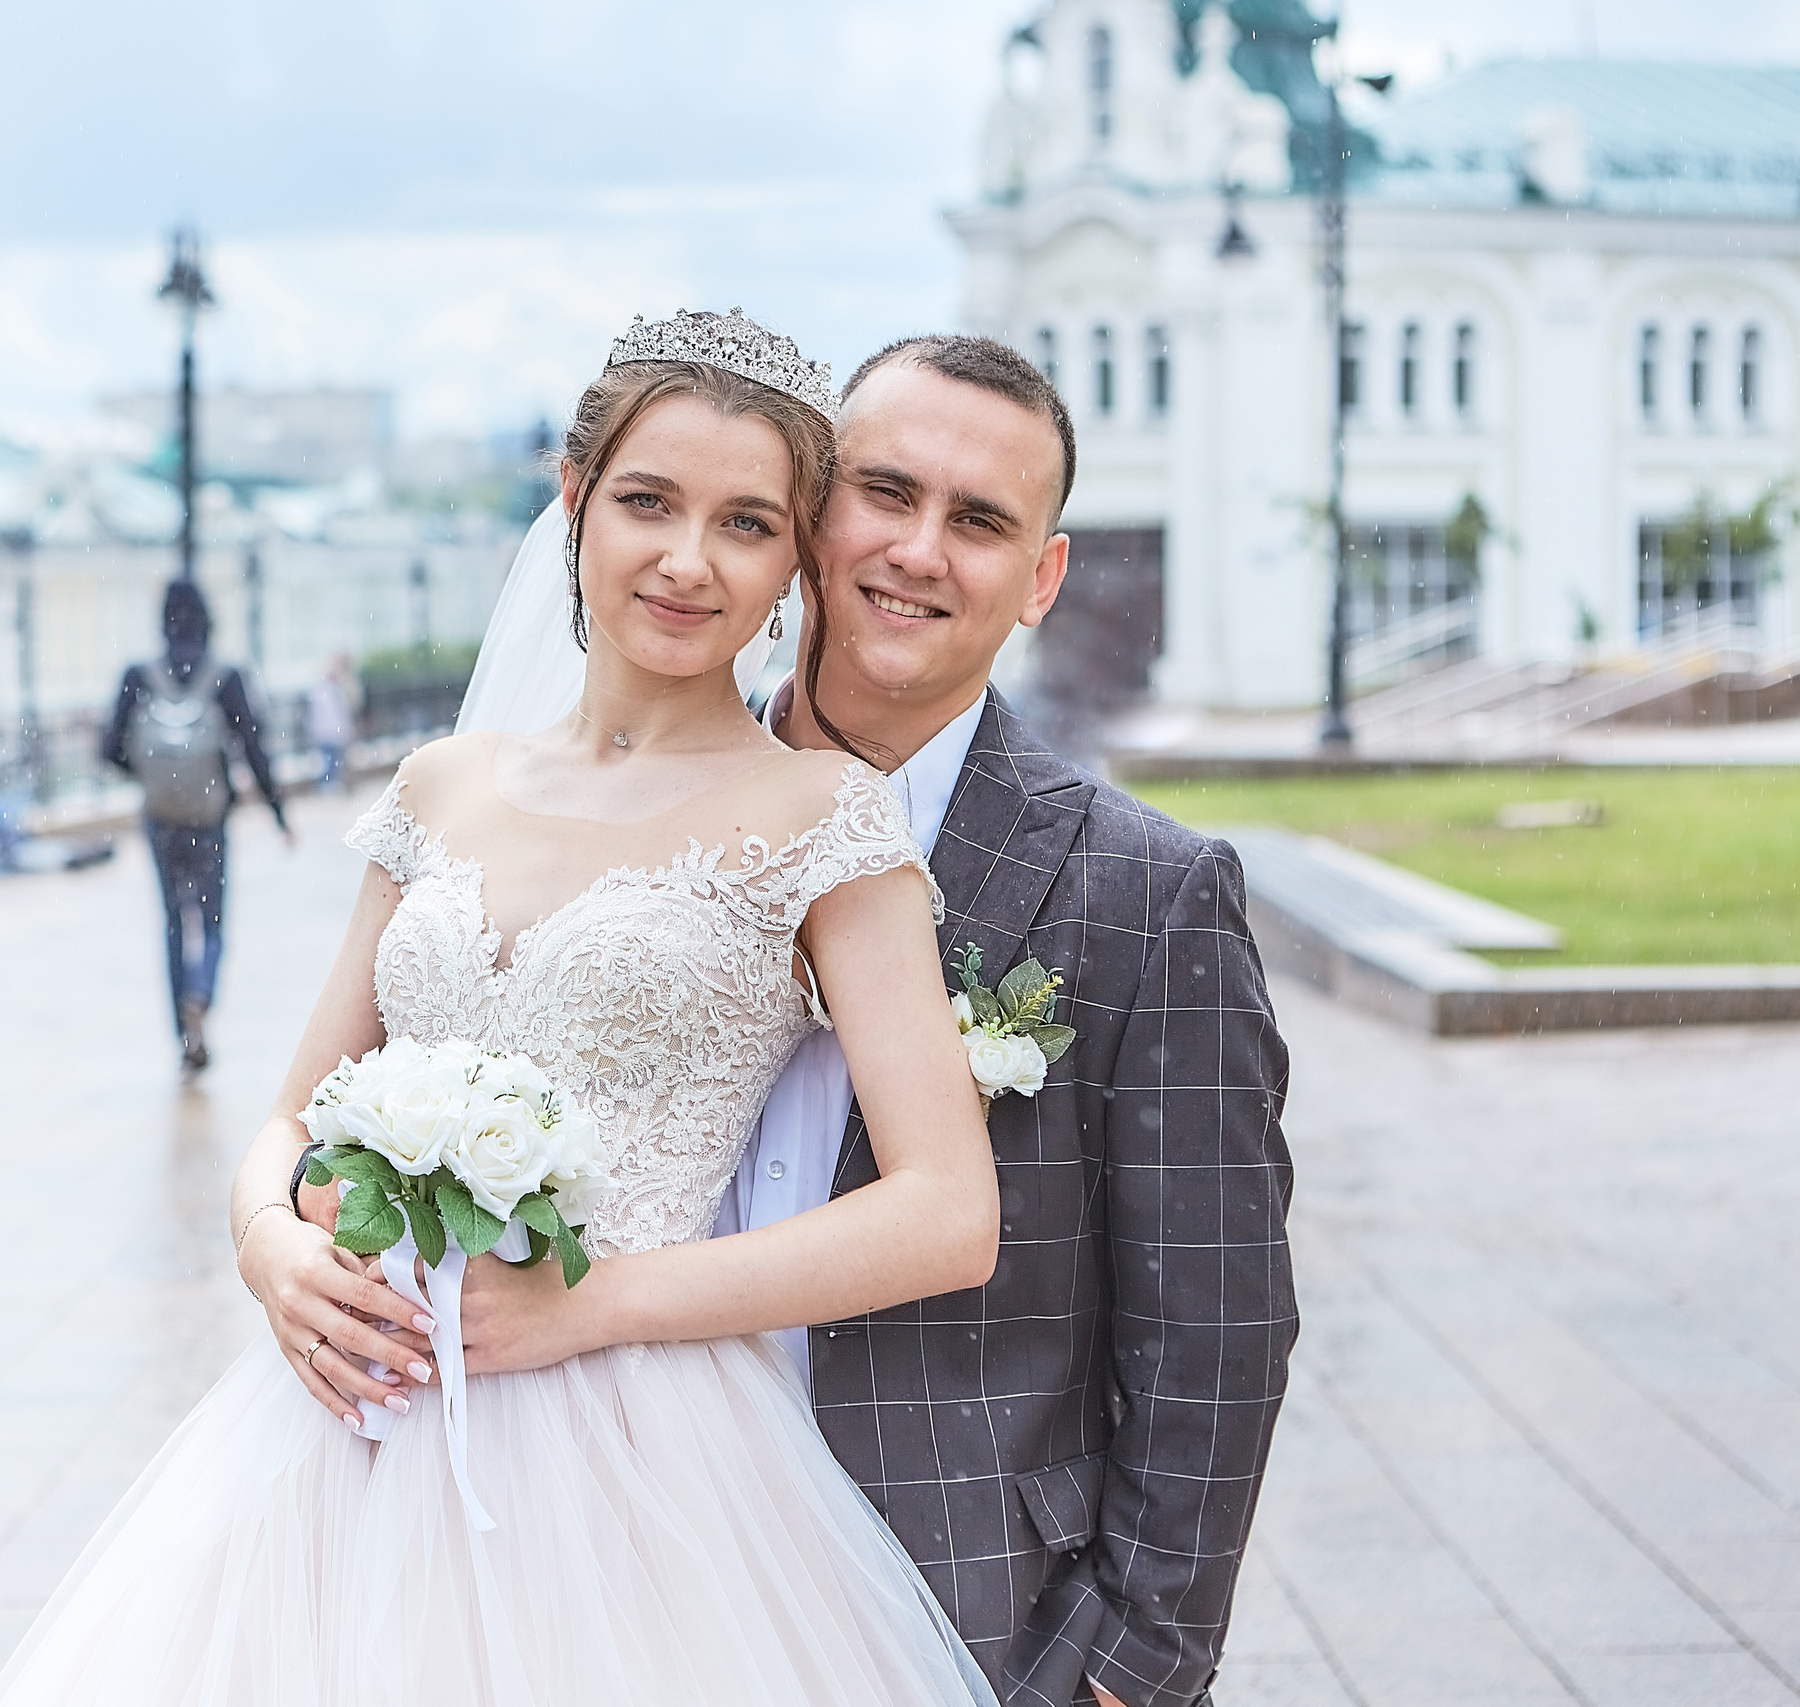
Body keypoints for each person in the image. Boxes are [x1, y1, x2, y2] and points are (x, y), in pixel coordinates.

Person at [0, 311, 1004, 1705]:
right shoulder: (442, 787)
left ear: (792, 564)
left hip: (645, 1451)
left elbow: (949, 1210)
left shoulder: (825, 823)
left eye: (746, 523)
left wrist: (594, 1310)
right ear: (576, 502)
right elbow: (292, 1110)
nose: (688, 561)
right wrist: (269, 1250)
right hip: (352, 1419)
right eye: (648, 502)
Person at [447, 336, 1298, 1707]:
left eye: (979, 522)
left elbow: (1217, 1331)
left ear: (1042, 579)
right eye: (885, 493)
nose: (916, 549)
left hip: (963, 1615)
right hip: (608, 1552)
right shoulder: (614, 816)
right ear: (812, 514)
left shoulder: (1150, 897)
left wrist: (1133, 1667)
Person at [103, 580, 293, 1074]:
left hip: (161, 818)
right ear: (208, 620)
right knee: (210, 921)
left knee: (171, 920)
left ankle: (182, 1033)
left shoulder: (138, 676)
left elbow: (109, 749)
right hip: (208, 820)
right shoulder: (225, 676)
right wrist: (278, 815)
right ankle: (201, 996)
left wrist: (148, 773)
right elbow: (254, 750)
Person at [304, 652, 358, 790]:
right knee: (330, 762)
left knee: (334, 761)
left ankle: (330, 786)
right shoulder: (324, 689)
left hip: (334, 731)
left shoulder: (337, 687)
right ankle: (327, 786)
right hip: (328, 731)